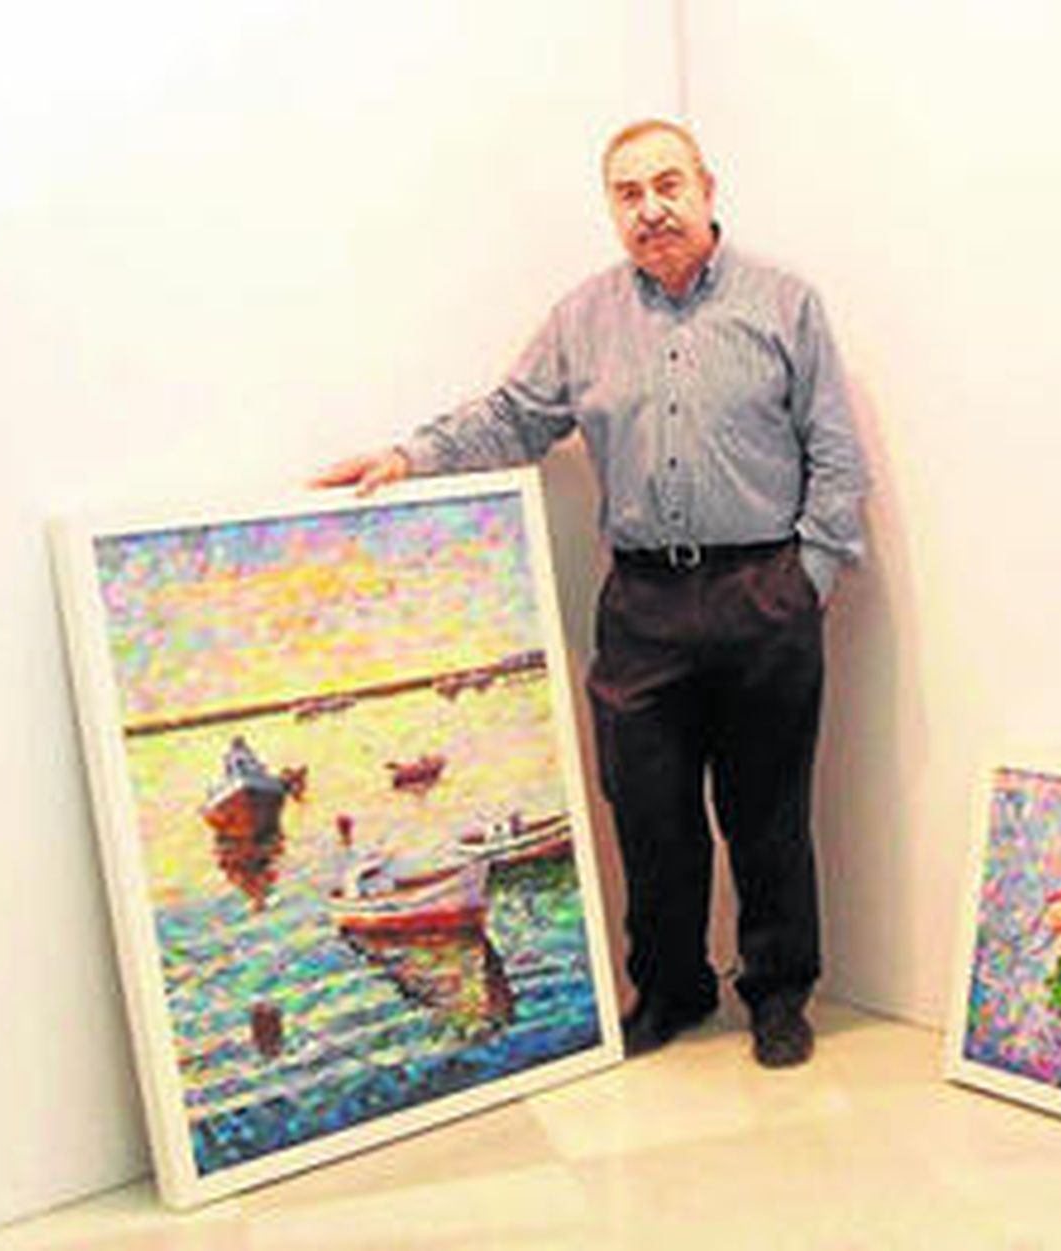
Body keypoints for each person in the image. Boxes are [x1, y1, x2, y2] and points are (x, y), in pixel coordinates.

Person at [312, 119, 868, 1068]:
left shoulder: (787, 303)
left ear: (706, 187)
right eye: (627, 193)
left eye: (667, 185)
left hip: (762, 595)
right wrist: (409, 457)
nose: (651, 208)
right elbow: (514, 416)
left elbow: (837, 455)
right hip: (643, 608)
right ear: (612, 209)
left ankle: (778, 992)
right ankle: (673, 989)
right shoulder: (583, 318)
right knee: (648, 814)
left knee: (768, 812)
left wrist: (806, 577)